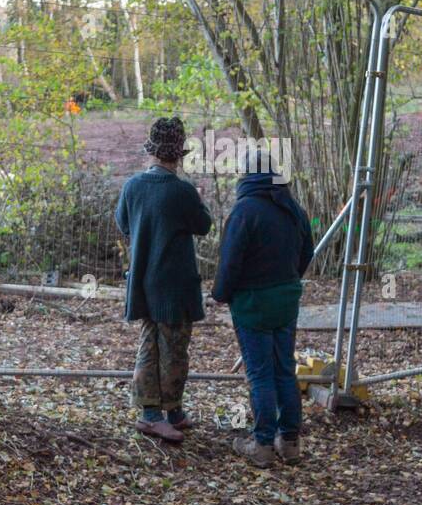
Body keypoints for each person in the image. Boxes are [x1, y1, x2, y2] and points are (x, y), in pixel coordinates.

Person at [210, 145, 314, 468]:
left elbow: (230, 264)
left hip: (253, 304)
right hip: (285, 302)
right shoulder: (293, 209)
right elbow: (306, 252)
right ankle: (291, 442)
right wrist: (288, 280)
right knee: (285, 369)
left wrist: (222, 294)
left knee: (260, 375)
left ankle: (263, 445)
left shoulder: (244, 211)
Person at [115, 117, 213, 444]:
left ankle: (164, 413)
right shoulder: (182, 192)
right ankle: (157, 416)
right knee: (174, 350)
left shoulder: (132, 187)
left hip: (143, 283)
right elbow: (203, 225)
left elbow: (123, 223)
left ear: (152, 150)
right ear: (178, 154)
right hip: (174, 286)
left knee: (150, 345)